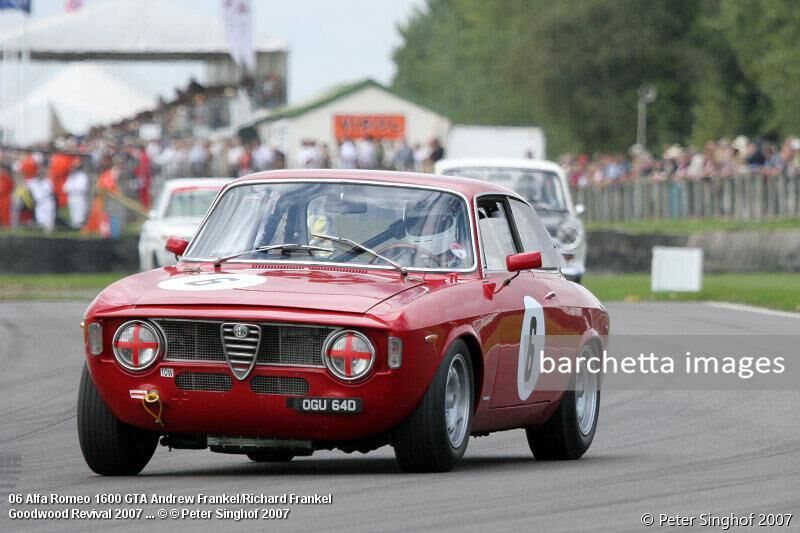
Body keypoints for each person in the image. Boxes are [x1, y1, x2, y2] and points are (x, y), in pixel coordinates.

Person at [63, 158, 90, 229]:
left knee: (80, 212)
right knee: (73, 213)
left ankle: (80, 226)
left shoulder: (82, 176)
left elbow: (81, 188)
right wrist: (72, 189)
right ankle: (75, 226)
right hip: (71, 197)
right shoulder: (70, 177)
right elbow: (65, 188)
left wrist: (72, 189)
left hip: (79, 197)